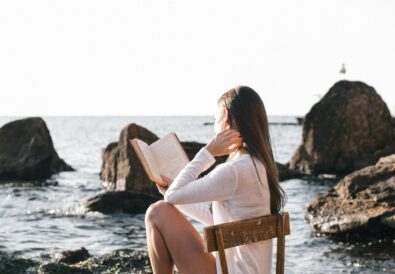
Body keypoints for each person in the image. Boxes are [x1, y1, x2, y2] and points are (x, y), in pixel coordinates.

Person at [144, 86, 287, 274]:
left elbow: (172, 196)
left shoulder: (233, 171)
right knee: (163, 207)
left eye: (215, 119)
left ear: (225, 117)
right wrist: (175, 197)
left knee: (157, 212)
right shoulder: (259, 165)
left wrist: (208, 152)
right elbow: (219, 220)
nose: (214, 125)